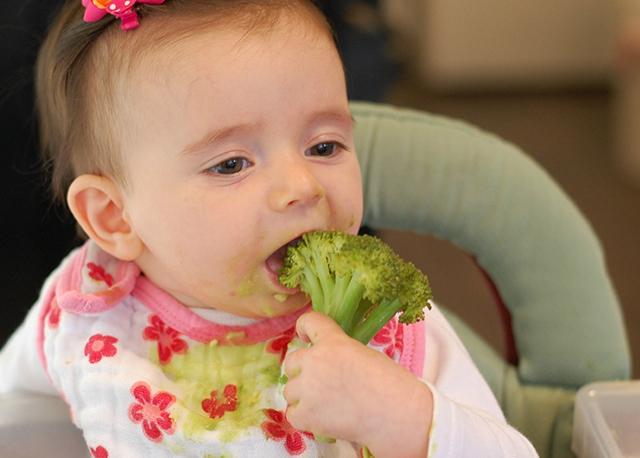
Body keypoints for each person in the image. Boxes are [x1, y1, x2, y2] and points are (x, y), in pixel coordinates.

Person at [0, 1, 538, 456]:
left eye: (323, 147)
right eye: (231, 164)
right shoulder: (87, 311)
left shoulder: (379, 325)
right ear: (113, 217)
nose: (302, 185)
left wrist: (405, 418)